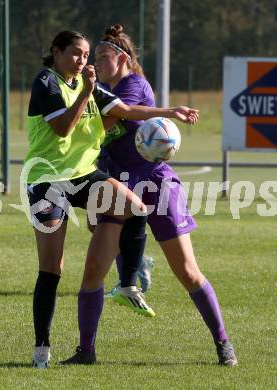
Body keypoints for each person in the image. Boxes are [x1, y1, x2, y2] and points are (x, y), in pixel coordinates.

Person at [25, 30, 199, 368]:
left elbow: (128, 110)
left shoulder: (88, 86)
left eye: (86, 54)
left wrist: (171, 111)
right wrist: (88, 92)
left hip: (84, 176)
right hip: (47, 181)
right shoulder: (46, 82)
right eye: (75, 53)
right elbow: (63, 128)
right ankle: (41, 348)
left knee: (134, 206)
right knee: (52, 267)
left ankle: (128, 284)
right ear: (56, 52)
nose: (82, 61)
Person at [90, 24, 237, 367]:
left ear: (122, 58)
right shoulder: (99, 88)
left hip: (154, 183)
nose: (96, 62)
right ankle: (87, 349)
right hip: (120, 180)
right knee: (94, 265)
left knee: (187, 271)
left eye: (102, 56)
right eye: (94, 57)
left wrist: (88, 102)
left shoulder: (134, 85)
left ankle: (223, 342)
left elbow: (110, 122)